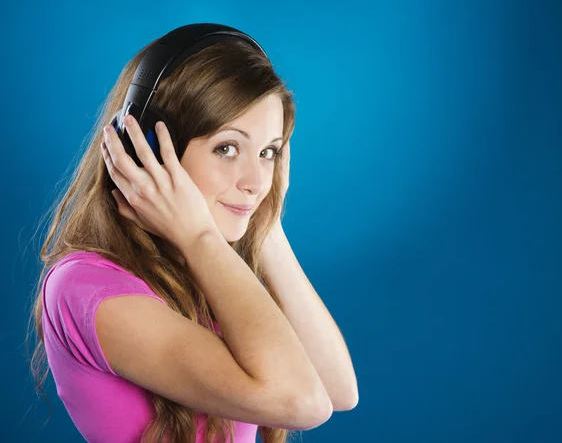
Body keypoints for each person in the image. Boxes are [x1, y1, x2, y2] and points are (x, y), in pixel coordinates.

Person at [27, 26, 358, 443]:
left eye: (268, 152)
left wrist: (265, 224)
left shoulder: (206, 271)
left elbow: (337, 391)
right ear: (142, 152)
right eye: (227, 148)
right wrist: (201, 237)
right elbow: (302, 402)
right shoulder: (83, 287)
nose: (256, 180)